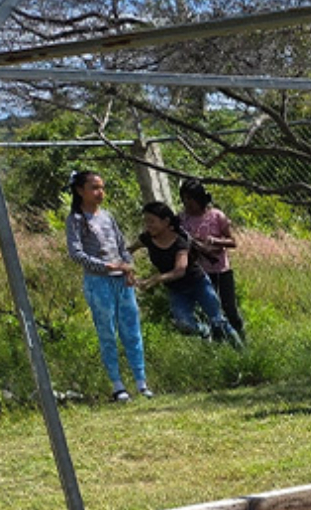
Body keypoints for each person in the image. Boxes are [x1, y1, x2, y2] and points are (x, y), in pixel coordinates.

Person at [64, 169, 150, 401]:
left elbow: (122, 247)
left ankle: (141, 382)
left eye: (101, 187)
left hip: (122, 281)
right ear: (80, 191)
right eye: (94, 188)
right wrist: (106, 266)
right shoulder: (76, 220)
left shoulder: (107, 217)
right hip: (98, 282)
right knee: (107, 333)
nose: (99, 192)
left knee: (131, 330)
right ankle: (117, 384)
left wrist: (128, 268)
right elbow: (76, 253)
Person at [135, 199, 242, 347]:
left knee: (218, 321)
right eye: (146, 222)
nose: (148, 225)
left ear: (166, 222)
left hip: (198, 283)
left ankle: (242, 352)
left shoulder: (180, 242)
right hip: (176, 290)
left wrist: (156, 279)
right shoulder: (147, 239)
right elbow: (128, 250)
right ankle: (204, 331)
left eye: (152, 221)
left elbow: (179, 270)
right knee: (184, 324)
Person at [176, 178, 245, 338]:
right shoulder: (181, 219)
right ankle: (218, 342)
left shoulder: (216, 216)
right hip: (198, 273)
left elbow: (232, 241)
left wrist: (213, 241)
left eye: (191, 199)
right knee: (210, 310)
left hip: (220, 270)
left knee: (229, 308)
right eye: (185, 199)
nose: (188, 203)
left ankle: (240, 337)